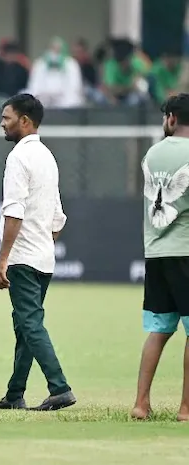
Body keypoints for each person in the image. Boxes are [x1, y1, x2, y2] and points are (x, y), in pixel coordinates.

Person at [0, 93, 76, 412]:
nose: (3, 123)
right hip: (44, 257)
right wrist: (43, 241)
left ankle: (59, 387)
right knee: (25, 324)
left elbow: (13, 211)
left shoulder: (18, 158)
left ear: (24, 120)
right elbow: (57, 216)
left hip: (24, 259)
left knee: (29, 323)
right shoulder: (47, 156)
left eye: (7, 118)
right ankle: (15, 394)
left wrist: (2, 259)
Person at [131, 94, 189, 422]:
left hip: (156, 252)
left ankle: (141, 403)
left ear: (171, 118)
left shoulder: (152, 153)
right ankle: (186, 408)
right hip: (186, 251)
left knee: (159, 330)